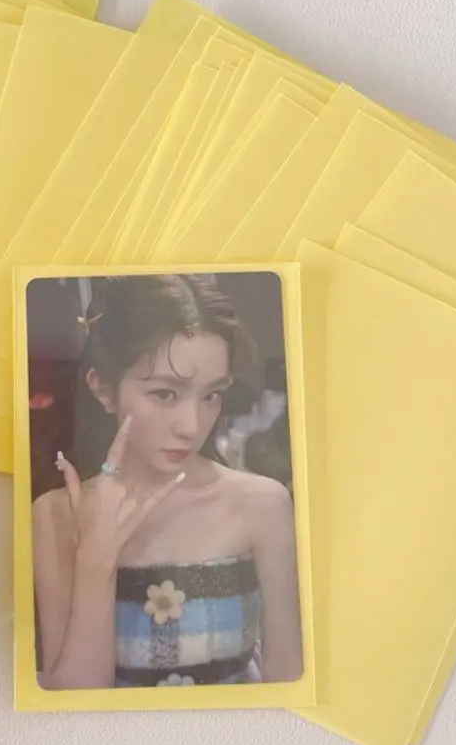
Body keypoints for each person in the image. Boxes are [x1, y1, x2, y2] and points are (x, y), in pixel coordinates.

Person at [31, 274, 303, 690]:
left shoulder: (262, 505)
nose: (192, 426)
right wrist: (96, 560)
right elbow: (74, 707)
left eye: (211, 395)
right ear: (103, 390)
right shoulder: (57, 514)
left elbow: (290, 687)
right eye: (165, 394)